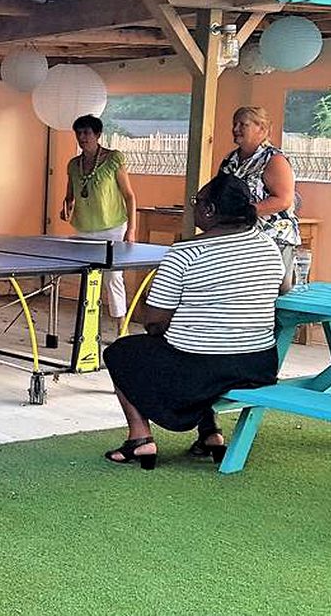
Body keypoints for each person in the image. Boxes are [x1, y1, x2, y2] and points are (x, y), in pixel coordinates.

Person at [101, 173, 284, 470]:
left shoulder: (185, 252)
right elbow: (283, 289)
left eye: (197, 202)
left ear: (210, 210)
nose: (194, 207)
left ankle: (140, 438)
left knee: (122, 352)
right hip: (258, 364)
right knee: (200, 349)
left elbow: (155, 323)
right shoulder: (268, 245)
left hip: (200, 369)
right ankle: (210, 432)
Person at [59, 114, 137, 320]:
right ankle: (87, 325)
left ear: (98, 134)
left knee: (113, 277)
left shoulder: (113, 159)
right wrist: (66, 207)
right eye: (79, 133)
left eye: (86, 132)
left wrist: (131, 230)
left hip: (112, 226)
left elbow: (129, 195)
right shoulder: (74, 165)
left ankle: (121, 325)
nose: (82, 137)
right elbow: (70, 196)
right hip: (84, 227)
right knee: (89, 277)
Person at [219, 105, 300, 293]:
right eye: (234, 124)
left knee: (271, 296)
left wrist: (246, 212)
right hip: (238, 239)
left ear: (261, 129)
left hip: (272, 240)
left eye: (243, 125)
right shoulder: (231, 159)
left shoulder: (274, 160)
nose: (236, 129)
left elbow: (283, 200)